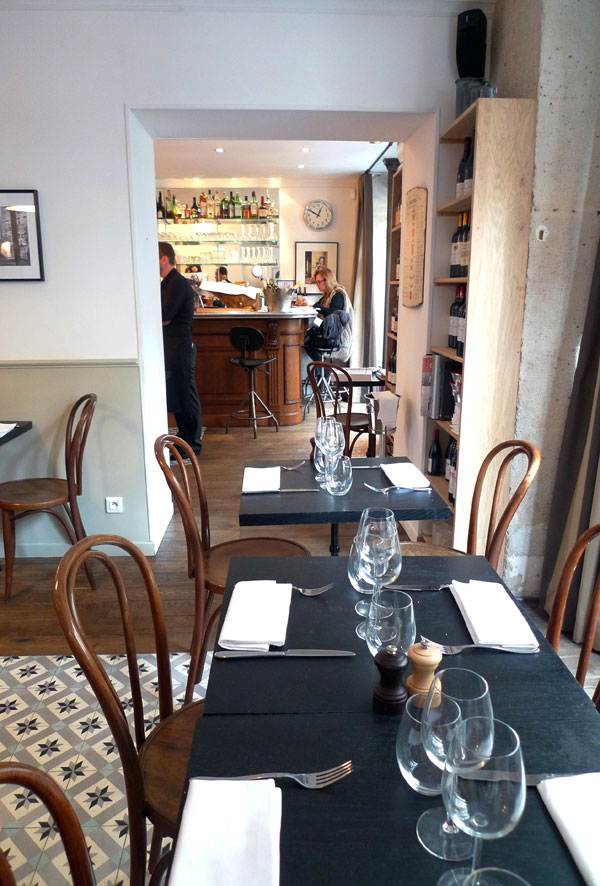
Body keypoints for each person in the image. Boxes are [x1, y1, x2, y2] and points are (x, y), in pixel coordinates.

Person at [159, 241, 202, 457]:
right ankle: (184, 440)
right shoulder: (168, 283)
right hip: (173, 347)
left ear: (164, 258)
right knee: (178, 394)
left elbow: (165, 317)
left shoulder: (176, 283)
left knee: (185, 395)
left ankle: (192, 444)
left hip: (180, 347)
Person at [304, 267, 353, 363]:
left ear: (327, 280)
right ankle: (320, 370)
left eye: (319, 282)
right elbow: (318, 311)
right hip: (328, 334)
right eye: (316, 282)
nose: (317, 285)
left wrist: (313, 305)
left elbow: (332, 313)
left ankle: (322, 370)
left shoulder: (338, 295)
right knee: (307, 337)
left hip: (336, 338)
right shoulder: (326, 296)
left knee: (308, 342)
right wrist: (312, 329)